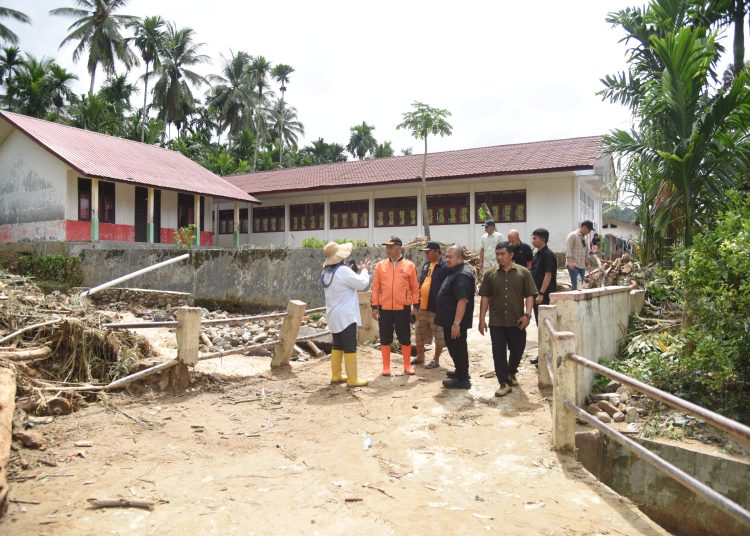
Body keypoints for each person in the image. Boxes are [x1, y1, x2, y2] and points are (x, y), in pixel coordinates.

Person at [478, 241, 537, 397]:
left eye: (503, 254)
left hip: (517, 320)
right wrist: (482, 318)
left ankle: (511, 372)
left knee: (518, 349)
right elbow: (485, 297)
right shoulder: (490, 274)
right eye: (497, 254)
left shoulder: (523, 273)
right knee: (498, 352)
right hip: (496, 321)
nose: (499, 257)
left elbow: (530, 294)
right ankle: (504, 382)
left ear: (511, 255)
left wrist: (528, 315)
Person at [321, 242, 372, 387]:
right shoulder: (343, 270)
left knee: (337, 345)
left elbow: (343, 283)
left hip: (333, 314)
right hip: (346, 315)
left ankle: (336, 375)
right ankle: (352, 379)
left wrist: (351, 272)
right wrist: (365, 270)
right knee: (350, 346)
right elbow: (362, 284)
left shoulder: (326, 271)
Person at [371, 236, 419, 376]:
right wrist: (374, 306)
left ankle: (407, 366)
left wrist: (416, 306)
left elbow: (415, 287)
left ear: (400, 248)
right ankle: (386, 367)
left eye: (391, 247)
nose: (388, 249)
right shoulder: (380, 266)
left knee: (404, 337)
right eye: (387, 247)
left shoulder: (409, 265)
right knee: (385, 337)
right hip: (384, 308)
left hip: (402, 308)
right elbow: (376, 287)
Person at [435, 245, 476, 389]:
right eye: (446, 256)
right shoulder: (455, 271)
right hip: (450, 321)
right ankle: (460, 371)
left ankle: (463, 380)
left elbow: (462, 300)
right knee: (455, 348)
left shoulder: (462, 275)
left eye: (450, 257)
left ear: (460, 258)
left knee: (457, 348)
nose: (447, 259)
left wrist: (456, 323)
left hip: (455, 323)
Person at [412, 241, 448, 369]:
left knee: (438, 335)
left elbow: (446, 289)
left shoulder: (444, 266)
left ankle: (436, 360)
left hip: (436, 308)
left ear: (437, 251)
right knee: (419, 333)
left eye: (429, 251)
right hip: (422, 307)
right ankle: (420, 357)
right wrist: (415, 305)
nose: (426, 253)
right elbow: (420, 283)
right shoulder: (427, 264)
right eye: (425, 251)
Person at [531, 228, 557, 324]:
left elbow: (548, 275)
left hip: (544, 294)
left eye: (535, 238)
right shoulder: (537, 254)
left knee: (545, 321)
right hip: (536, 292)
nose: (533, 241)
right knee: (539, 320)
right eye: (533, 238)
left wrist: (541, 293)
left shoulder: (547, 255)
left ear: (543, 239)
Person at [565, 220, 594, 290]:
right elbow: (568, 249)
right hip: (574, 265)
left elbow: (586, 252)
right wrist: (570, 262)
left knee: (580, 284)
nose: (589, 231)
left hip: (582, 266)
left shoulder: (585, 238)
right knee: (575, 283)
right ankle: (575, 300)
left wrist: (588, 264)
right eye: (589, 229)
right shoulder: (572, 235)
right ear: (583, 227)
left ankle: (578, 299)